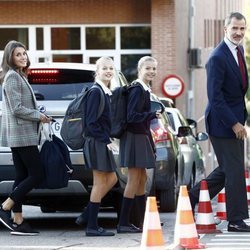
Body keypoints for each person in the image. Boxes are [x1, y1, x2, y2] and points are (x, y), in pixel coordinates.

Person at [189, 12, 250, 232]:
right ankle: (236, 220)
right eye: (234, 28)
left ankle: (189, 198)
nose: (238, 32)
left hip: (233, 121)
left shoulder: (239, 50)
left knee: (227, 170)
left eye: (242, 28)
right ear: (225, 29)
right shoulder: (217, 57)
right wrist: (234, 123)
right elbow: (215, 98)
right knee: (234, 170)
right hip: (221, 123)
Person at [0, 40, 51, 236]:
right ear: (10, 58)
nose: (23, 57)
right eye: (17, 54)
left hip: (22, 134)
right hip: (21, 135)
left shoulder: (19, 76)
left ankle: (18, 220)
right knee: (36, 174)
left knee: (21, 176)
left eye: (24, 53)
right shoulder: (12, 77)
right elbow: (17, 108)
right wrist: (39, 116)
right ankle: (5, 207)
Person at [117, 56, 161, 233]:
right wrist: (152, 115)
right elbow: (132, 117)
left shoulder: (144, 89)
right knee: (134, 179)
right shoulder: (137, 89)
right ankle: (124, 223)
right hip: (134, 137)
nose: (151, 72)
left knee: (142, 179)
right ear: (139, 69)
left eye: (154, 69)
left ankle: (142, 221)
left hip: (140, 136)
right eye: (148, 68)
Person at [75, 56, 118, 236]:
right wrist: (107, 140)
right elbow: (91, 123)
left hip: (101, 141)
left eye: (110, 68)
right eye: (104, 68)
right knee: (100, 183)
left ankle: (87, 215)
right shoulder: (95, 92)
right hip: (97, 142)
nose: (108, 71)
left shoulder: (104, 91)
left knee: (112, 179)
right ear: (97, 71)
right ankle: (92, 226)